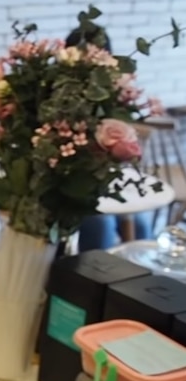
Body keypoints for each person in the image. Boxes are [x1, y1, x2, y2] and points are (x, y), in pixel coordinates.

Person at [64, 26, 155, 251]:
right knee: (102, 225)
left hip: (105, 182)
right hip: (70, 185)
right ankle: (92, 281)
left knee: (142, 226)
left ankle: (137, 279)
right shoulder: (62, 97)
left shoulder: (112, 96)